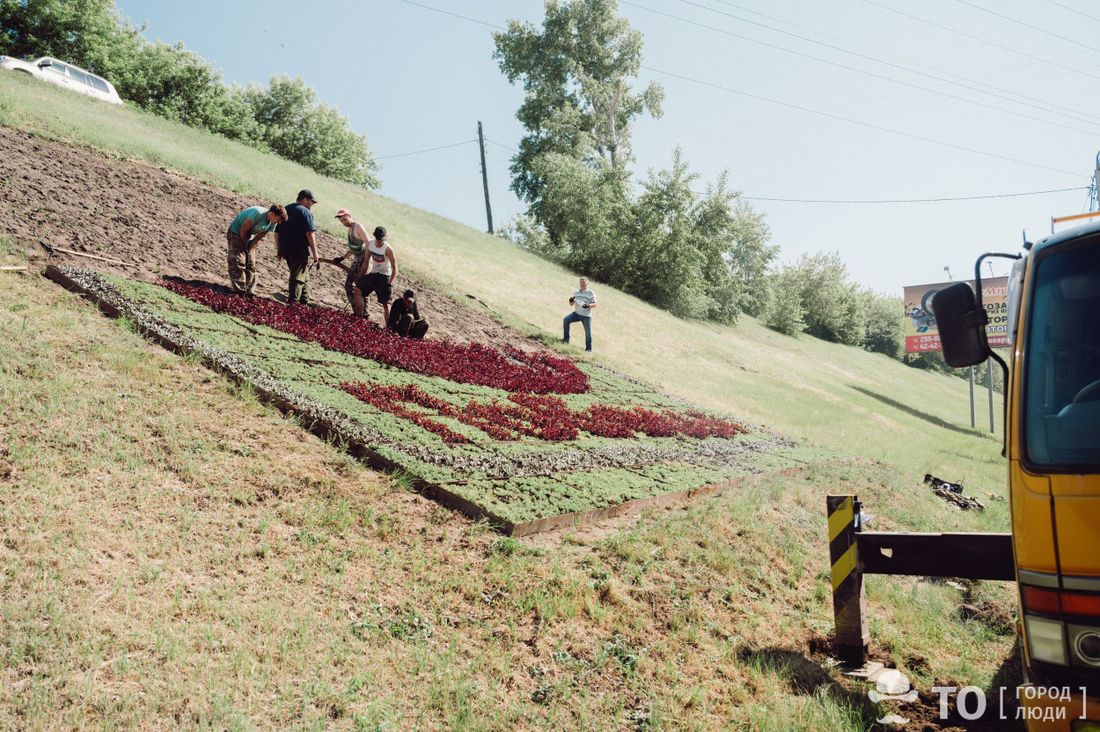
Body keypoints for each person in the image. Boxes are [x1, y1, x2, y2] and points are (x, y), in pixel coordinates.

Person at [226, 203, 287, 294]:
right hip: (236, 232)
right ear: (272, 214)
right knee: (239, 260)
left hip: (249, 236)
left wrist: (250, 250)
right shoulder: (258, 213)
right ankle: (240, 290)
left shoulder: (273, 223)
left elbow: (258, 238)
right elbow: (243, 230)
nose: (279, 222)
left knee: (251, 263)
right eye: (279, 219)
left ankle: (249, 290)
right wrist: (244, 247)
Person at [277, 189, 320, 305]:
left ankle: (304, 300)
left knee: (303, 274)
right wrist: (315, 254)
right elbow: (310, 234)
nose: (312, 204)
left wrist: (279, 249)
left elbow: (277, 232)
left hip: (286, 248)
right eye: (311, 201)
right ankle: (294, 303)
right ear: (304, 199)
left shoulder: (285, 209)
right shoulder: (306, 212)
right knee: (297, 277)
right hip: (299, 250)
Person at [355, 225, 397, 322]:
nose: (379, 242)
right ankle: (359, 317)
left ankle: (389, 326)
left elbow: (394, 267)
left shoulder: (388, 249)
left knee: (386, 304)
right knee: (357, 290)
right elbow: (366, 261)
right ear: (375, 237)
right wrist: (361, 275)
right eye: (378, 239)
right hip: (374, 274)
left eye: (381, 240)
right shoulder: (370, 244)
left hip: (384, 276)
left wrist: (391, 282)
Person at [331, 208, 368, 316]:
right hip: (356, 261)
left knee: (360, 288)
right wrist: (342, 258)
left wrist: (366, 263)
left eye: (345, 219)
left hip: (362, 262)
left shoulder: (358, 227)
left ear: (349, 216)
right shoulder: (350, 229)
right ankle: (357, 310)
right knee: (348, 285)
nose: (343, 222)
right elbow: (354, 249)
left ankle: (364, 313)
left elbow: (368, 243)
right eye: (341, 221)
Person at [563, 276, 597, 352]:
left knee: (588, 333)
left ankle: (588, 349)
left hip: (586, 316)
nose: (582, 284)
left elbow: (595, 304)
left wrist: (587, 305)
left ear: (587, 283)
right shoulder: (576, 292)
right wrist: (571, 300)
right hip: (576, 314)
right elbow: (571, 304)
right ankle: (566, 339)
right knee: (566, 320)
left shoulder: (590, 293)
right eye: (581, 282)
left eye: (583, 282)